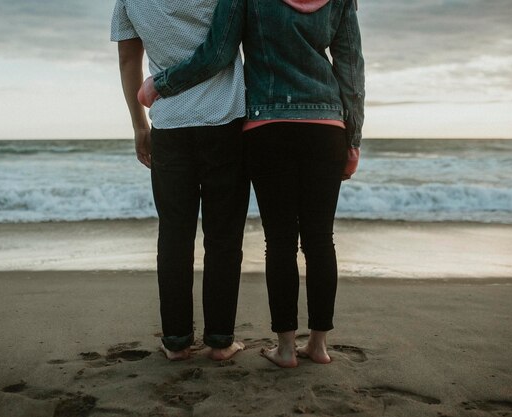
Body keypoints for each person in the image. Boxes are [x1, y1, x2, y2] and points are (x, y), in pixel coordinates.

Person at [139, 0, 365, 367]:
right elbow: (351, 69)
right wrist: (353, 139)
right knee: (321, 238)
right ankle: (319, 346)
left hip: (265, 124)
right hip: (326, 124)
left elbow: (218, 51)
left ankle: (287, 349)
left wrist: (159, 85)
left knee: (280, 240)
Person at [110, 0, 250, 361]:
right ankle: (220, 341)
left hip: (170, 125)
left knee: (174, 236)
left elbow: (129, 61)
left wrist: (140, 125)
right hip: (227, 122)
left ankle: (176, 342)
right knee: (223, 237)